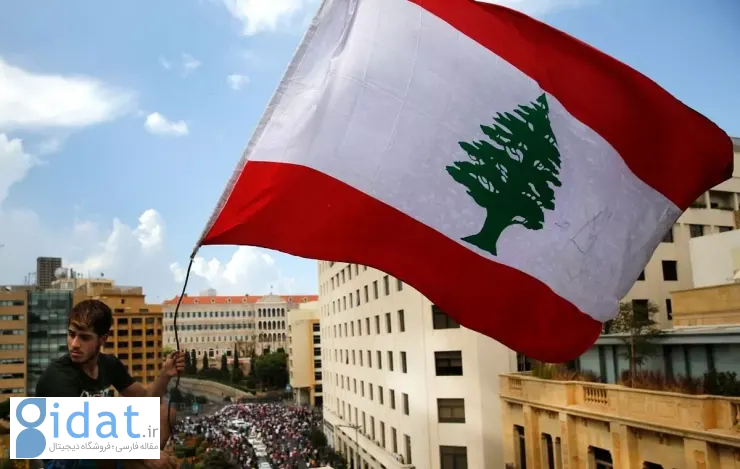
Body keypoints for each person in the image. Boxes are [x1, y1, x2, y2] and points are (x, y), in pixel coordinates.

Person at [35, 299, 185, 469]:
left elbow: (145, 400)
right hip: (59, 459)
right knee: (106, 425)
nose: (75, 344)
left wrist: (165, 375)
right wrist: (145, 451)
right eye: (71, 334)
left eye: (84, 337)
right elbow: (80, 430)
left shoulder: (109, 364)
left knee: (164, 412)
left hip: (100, 449)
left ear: (103, 339)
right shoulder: (57, 376)